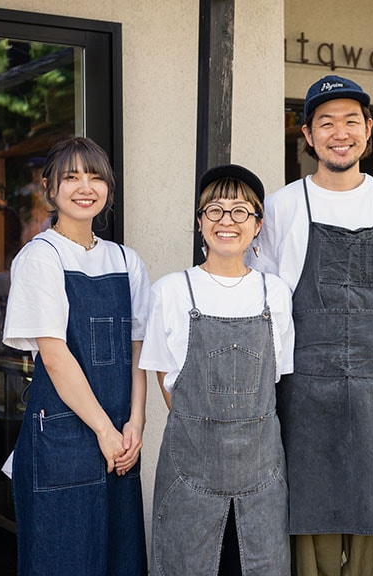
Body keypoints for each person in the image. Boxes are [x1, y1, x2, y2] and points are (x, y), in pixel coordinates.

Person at [251, 75, 373, 576]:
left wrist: (369, 347)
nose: (340, 132)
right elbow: (264, 299)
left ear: (368, 129)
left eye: (351, 121)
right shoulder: (282, 206)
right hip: (305, 386)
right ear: (307, 135)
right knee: (313, 525)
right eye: (325, 122)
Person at [3, 136, 149, 576]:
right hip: (63, 439)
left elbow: (138, 349)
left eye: (95, 176)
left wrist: (136, 424)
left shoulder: (127, 260)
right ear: (49, 188)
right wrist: (106, 430)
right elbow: (54, 355)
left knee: (119, 558)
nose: (85, 186)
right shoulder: (40, 257)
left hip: (121, 440)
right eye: (71, 177)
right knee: (64, 561)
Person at [140, 164, 294, 575]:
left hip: (262, 468)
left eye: (241, 211)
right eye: (215, 211)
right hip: (190, 466)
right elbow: (164, 380)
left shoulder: (275, 293)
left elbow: (278, 378)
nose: (227, 222)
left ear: (258, 224)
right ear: (200, 222)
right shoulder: (171, 291)